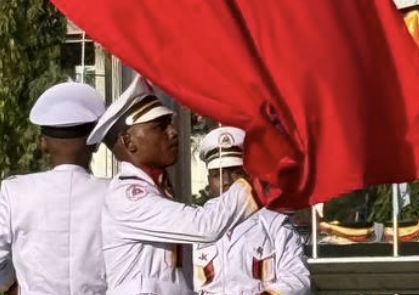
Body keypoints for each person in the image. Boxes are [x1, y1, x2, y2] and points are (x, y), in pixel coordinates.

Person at [89, 76, 259, 295]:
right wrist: (256, 183)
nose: (173, 131)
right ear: (129, 142)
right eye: (159, 127)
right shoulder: (128, 196)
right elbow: (205, 226)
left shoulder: (158, 188)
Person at [0, 81, 110, 295]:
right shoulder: (115, 194)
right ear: (95, 142)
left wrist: (15, 287)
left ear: (43, 144)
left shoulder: (17, 193)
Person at [192, 127, 311, 295]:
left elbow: (297, 279)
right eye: (217, 175)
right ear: (209, 180)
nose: (226, 182)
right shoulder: (192, 225)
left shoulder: (274, 225)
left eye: (236, 173)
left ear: (250, 176)